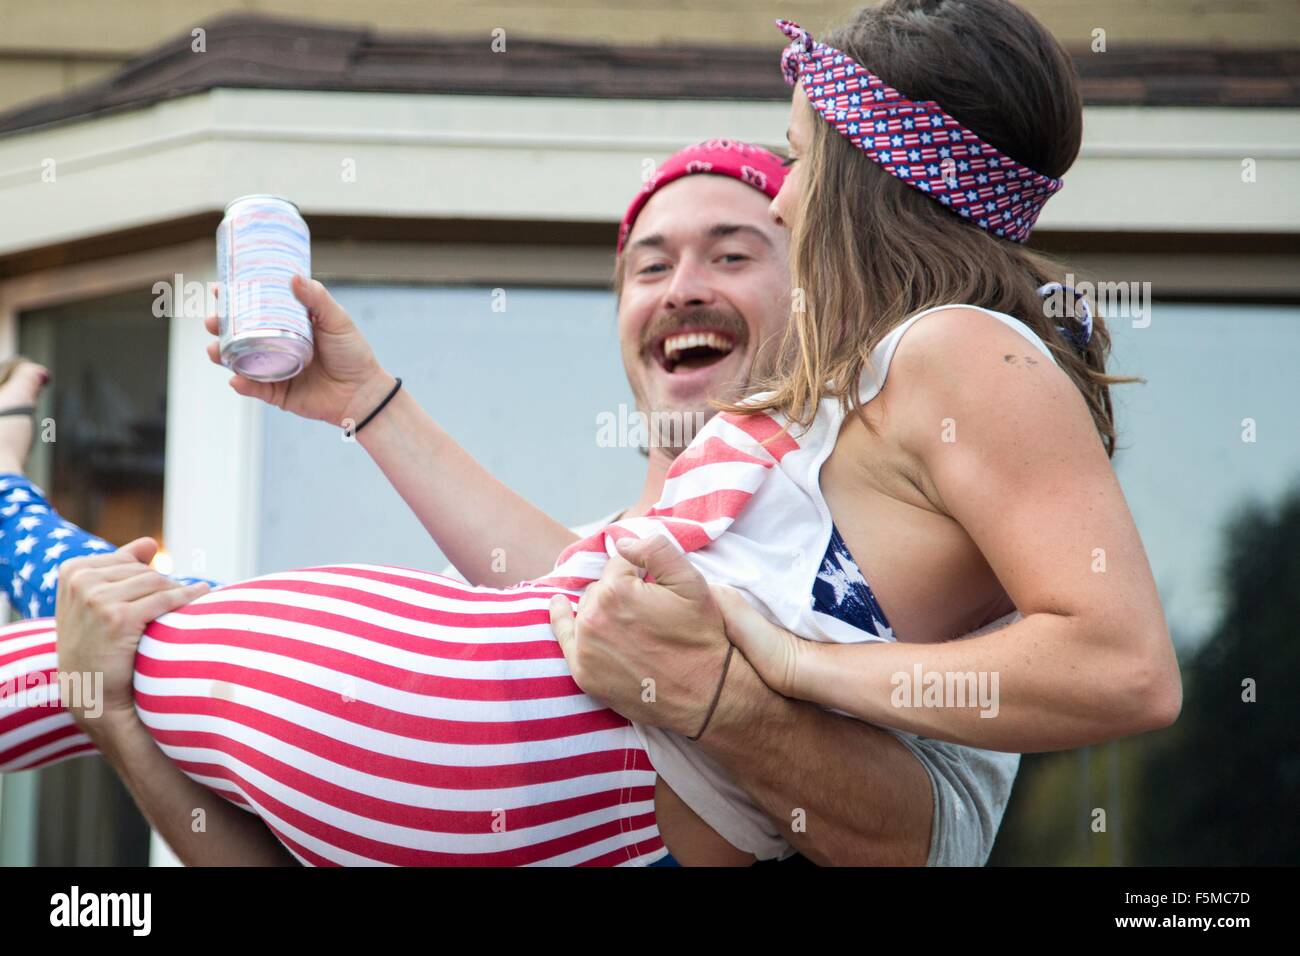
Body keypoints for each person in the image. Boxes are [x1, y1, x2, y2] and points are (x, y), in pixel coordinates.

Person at [0, 0, 1180, 866]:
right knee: (112, 637)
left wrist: (785, 668)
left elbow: (1122, 665)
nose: (782, 194)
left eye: (801, 159)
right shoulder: (861, 404)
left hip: (532, 767)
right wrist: (364, 400)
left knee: (119, 646)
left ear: (871, 173)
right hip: (507, 746)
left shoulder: (962, 349)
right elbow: (557, 584)